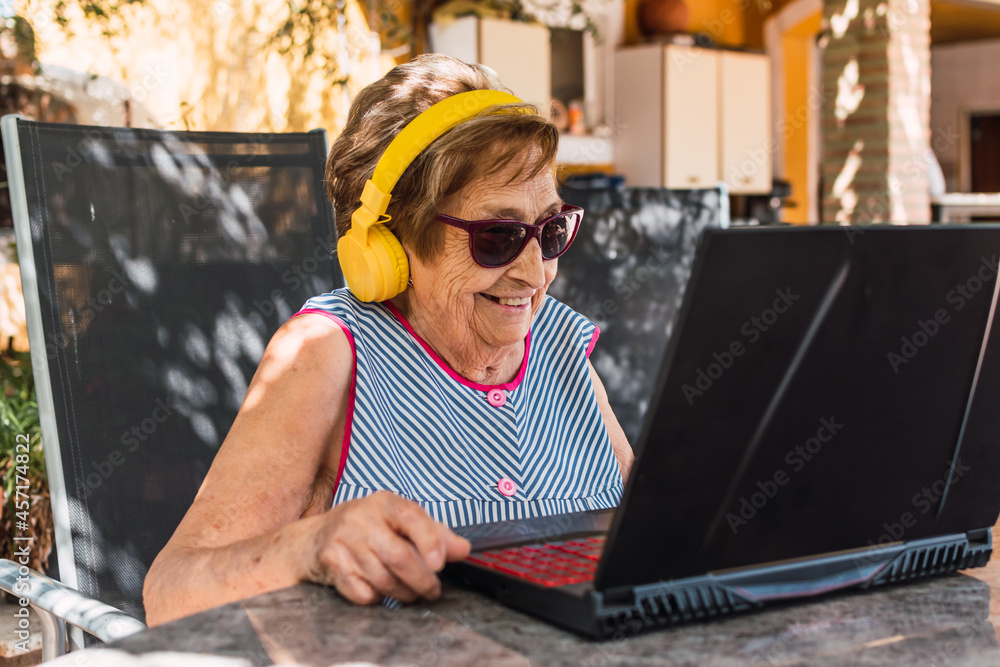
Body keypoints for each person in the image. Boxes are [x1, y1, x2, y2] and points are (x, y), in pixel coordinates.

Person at [143, 54, 633, 626]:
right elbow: (171, 592)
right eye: (497, 236)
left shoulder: (555, 343)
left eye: (549, 231)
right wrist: (306, 548)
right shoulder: (327, 354)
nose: (536, 273)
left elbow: (653, 531)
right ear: (390, 244)